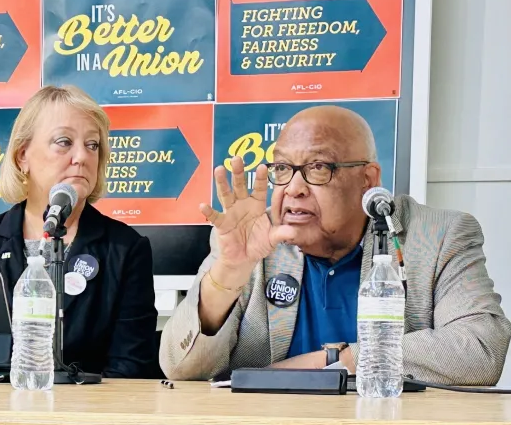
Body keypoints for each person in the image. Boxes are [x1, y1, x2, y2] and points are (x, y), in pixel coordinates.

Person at [160, 105, 511, 385]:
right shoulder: (252, 237)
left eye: (317, 167)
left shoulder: (438, 236)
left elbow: (480, 350)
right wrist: (228, 274)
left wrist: (334, 362)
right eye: (282, 168)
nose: (294, 188)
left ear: (367, 179)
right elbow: (180, 369)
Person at [0, 85, 159, 378]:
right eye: (64, 142)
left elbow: (131, 370)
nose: (82, 157)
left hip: (85, 418)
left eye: (92, 145)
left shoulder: (125, 249)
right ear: (23, 156)